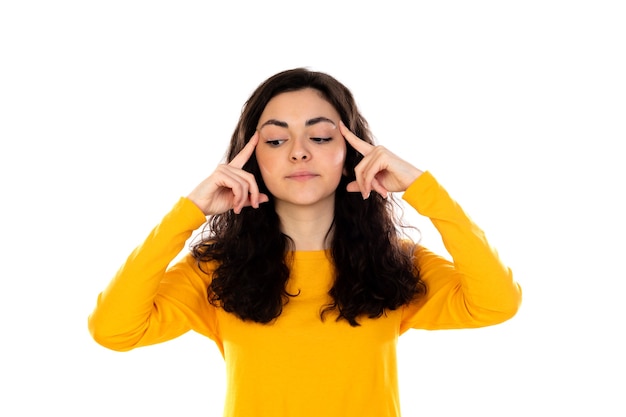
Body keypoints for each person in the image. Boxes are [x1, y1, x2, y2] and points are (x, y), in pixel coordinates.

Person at [88, 67, 522, 417]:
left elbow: (496, 303)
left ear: (352, 152)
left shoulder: (394, 263)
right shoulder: (218, 270)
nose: (298, 152)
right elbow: (113, 330)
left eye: (320, 137)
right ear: (253, 157)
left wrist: (425, 190)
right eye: (276, 140)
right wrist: (188, 213)